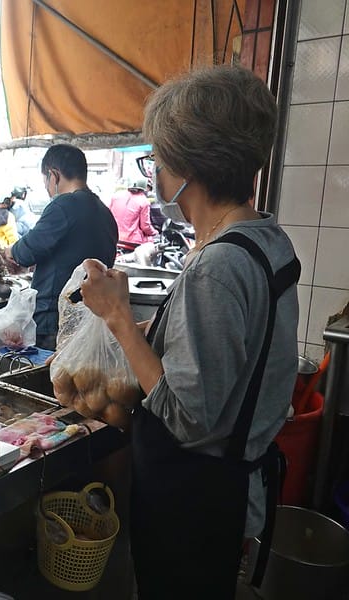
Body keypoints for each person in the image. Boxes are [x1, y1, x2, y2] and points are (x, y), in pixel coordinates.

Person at [78, 65, 299, 599]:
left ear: (187, 167)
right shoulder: (266, 239)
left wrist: (118, 319)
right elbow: (237, 350)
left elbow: (187, 416)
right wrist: (160, 327)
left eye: (157, 155)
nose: (154, 168)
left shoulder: (218, 266)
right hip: (224, 490)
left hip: (195, 502)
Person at [3, 144, 118, 350]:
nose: (47, 188)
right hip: (89, 317)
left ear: (53, 175)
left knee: (49, 377)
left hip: (55, 319)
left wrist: (9, 251)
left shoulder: (63, 205)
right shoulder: (104, 212)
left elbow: (27, 251)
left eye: (46, 181)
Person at [107, 177, 156, 245]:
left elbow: (107, 216)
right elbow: (145, 227)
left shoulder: (115, 196)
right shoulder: (144, 201)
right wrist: (154, 232)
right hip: (132, 242)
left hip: (113, 237)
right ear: (144, 187)